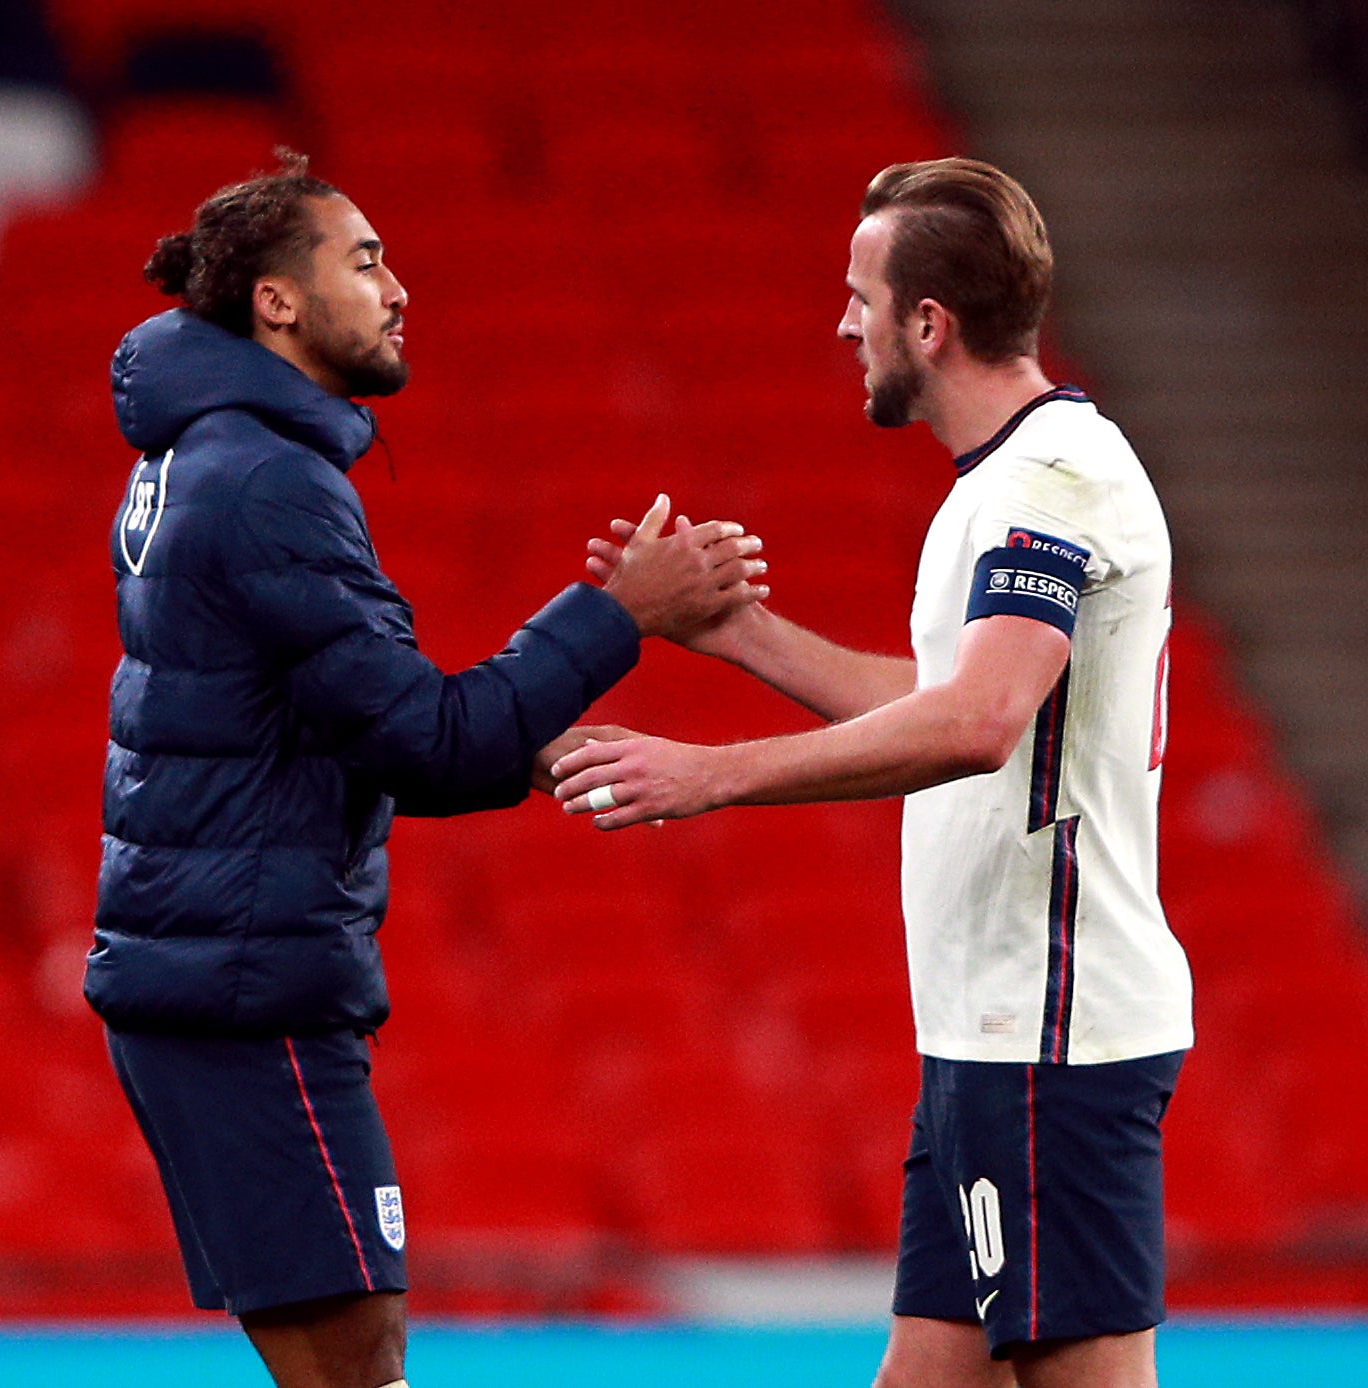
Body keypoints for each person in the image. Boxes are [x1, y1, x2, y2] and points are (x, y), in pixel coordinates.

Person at [85, 151, 766, 1388]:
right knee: (358, 1354)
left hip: (202, 968)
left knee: (337, 1361)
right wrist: (620, 613)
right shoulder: (266, 481)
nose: (398, 288)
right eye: (363, 259)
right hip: (250, 986)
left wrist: (525, 737)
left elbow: (326, 716)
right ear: (276, 302)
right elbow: (426, 742)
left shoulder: (198, 456)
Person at [556, 158, 1192, 1388]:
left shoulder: (1046, 486)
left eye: (859, 295)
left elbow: (978, 721)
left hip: (1049, 1036)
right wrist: (737, 634)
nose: (841, 322)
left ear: (927, 324)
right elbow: (944, 694)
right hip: (986, 1034)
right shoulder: (1012, 482)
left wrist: (712, 774)